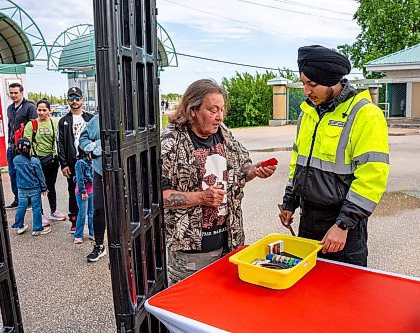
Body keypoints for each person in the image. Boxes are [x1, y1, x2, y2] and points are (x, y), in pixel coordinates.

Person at [280, 45, 390, 267]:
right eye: (303, 83)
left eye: (312, 84)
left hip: (342, 228)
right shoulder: (308, 112)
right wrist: (290, 202)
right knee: (307, 288)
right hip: (308, 221)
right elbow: (298, 162)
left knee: (344, 294)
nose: (306, 91)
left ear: (332, 80)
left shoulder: (365, 114)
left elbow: (372, 177)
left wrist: (343, 225)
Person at [161, 79, 277, 285]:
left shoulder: (223, 133)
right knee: (191, 310)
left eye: (222, 110)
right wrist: (200, 197)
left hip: (229, 242)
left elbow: (241, 171)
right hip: (191, 253)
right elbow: (159, 198)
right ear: (192, 109)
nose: (220, 117)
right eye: (213, 110)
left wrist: (254, 170)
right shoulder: (171, 142)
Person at [23, 99, 66, 226]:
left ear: (49, 111)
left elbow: (58, 141)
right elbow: (27, 143)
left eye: (44, 110)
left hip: (52, 160)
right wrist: (30, 159)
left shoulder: (54, 123)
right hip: (37, 161)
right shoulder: (31, 125)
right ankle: (40, 215)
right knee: (37, 188)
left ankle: (53, 211)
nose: (41, 113)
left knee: (50, 186)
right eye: (39, 110)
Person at [57, 87, 94, 233]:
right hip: (72, 163)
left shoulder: (90, 118)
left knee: (92, 190)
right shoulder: (63, 121)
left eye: (77, 98)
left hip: (89, 162)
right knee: (74, 191)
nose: (74, 101)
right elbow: (60, 144)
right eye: (71, 98)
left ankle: (93, 221)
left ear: (82, 99)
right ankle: (74, 220)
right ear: (67, 100)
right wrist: (64, 164)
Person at [79, 115, 107, 262]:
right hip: (100, 171)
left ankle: (127, 244)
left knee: (125, 210)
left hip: (124, 172)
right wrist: (89, 147)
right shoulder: (96, 120)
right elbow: (83, 138)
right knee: (98, 208)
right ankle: (99, 245)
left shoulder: (129, 115)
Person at [11, 137, 51, 236]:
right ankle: (37, 229)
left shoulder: (16, 160)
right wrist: (44, 188)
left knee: (22, 206)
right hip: (34, 188)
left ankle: (19, 226)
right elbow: (40, 175)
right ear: (30, 147)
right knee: (36, 208)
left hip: (22, 188)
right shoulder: (35, 161)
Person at [6, 82, 37, 209]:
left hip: (24, 148)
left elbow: (35, 127)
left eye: (16, 93)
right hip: (12, 147)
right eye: (11, 93)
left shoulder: (29, 107)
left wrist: (30, 147)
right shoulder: (10, 108)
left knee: (25, 174)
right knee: (12, 173)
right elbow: (10, 126)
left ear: (22, 92)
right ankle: (17, 199)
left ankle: (28, 201)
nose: (13, 95)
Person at [73, 155, 94, 244]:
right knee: (82, 213)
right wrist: (83, 191)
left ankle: (92, 233)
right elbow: (79, 178)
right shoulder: (80, 163)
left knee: (92, 212)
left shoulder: (92, 162)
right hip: (83, 192)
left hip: (91, 190)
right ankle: (78, 235)